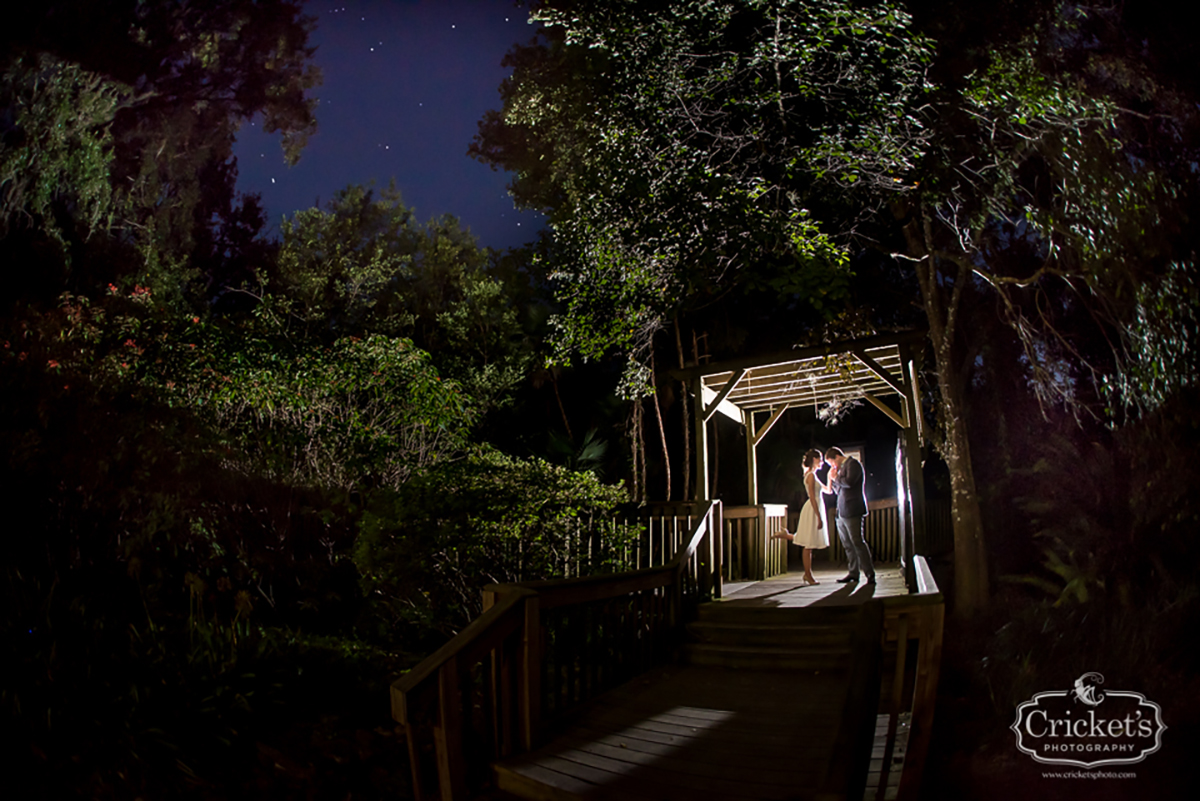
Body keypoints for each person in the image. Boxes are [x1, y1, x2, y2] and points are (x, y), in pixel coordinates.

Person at [772, 449, 830, 585]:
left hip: (817, 507)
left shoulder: (814, 476)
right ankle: (808, 575)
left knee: (808, 539)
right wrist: (818, 516)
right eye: (819, 459)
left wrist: (830, 477)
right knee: (808, 544)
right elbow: (812, 497)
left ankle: (785, 535)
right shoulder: (810, 476)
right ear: (814, 459)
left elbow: (828, 490)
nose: (821, 462)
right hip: (812, 509)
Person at [825, 446, 875, 585]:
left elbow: (849, 482)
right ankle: (853, 573)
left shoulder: (853, 464)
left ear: (837, 457)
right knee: (847, 544)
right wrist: (832, 479)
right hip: (841, 511)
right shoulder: (840, 469)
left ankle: (870, 574)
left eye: (831, 463)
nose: (832, 466)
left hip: (853, 509)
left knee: (857, 542)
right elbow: (838, 490)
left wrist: (836, 478)